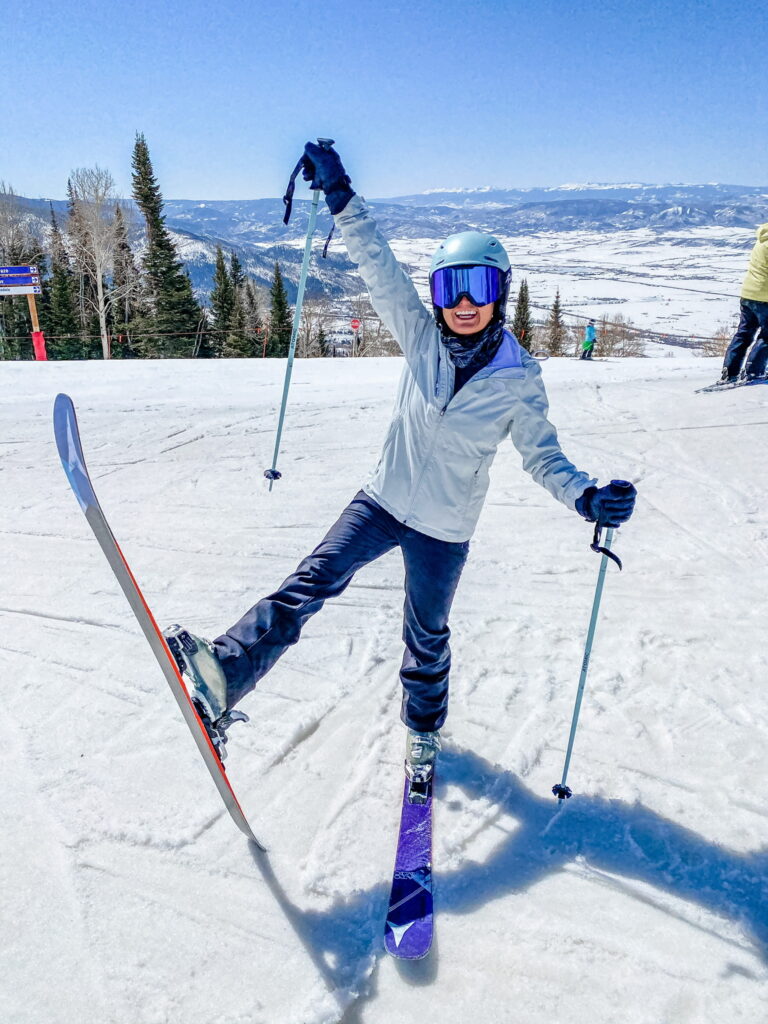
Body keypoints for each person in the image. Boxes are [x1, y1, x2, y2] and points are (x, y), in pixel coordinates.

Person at [164, 142, 637, 787]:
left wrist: (585, 497)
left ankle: (422, 733)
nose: (463, 303)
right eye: (451, 287)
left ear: (500, 292)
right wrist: (340, 194)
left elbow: (543, 456)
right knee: (310, 584)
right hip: (382, 500)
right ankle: (225, 672)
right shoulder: (421, 337)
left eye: (480, 287)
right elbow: (378, 265)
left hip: (444, 527)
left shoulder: (518, 378)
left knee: (427, 635)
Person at [718, 224, 768, 383]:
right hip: (764, 297)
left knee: (744, 333)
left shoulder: (762, 239)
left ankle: (730, 371)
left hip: (748, 294)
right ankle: (754, 372)